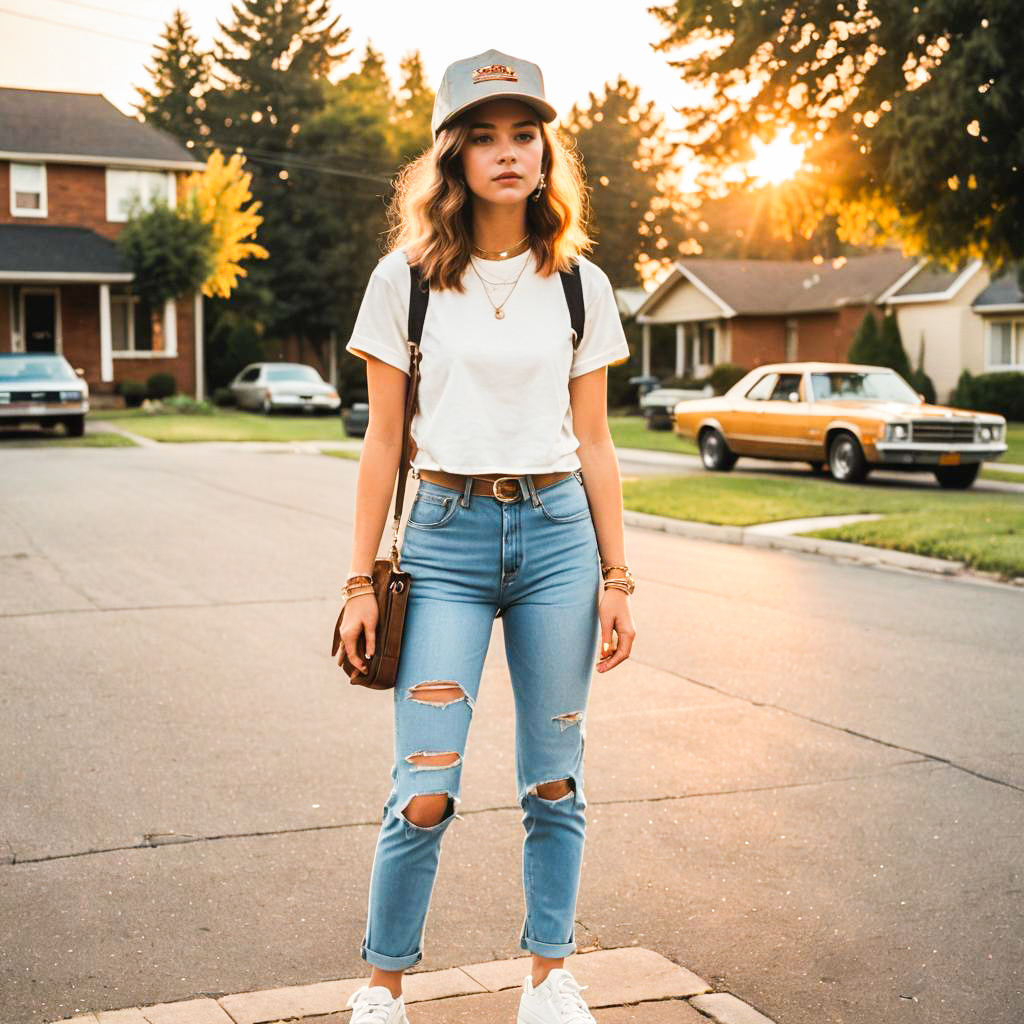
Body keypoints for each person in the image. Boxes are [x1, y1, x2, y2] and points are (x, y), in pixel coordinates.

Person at [337, 47, 638, 1024]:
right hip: (444, 540)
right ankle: (382, 986)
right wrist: (354, 581)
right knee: (424, 782)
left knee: (555, 776)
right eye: (486, 136)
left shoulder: (580, 284)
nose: (509, 153)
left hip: (557, 539)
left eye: (526, 135)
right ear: (453, 156)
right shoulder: (406, 279)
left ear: (545, 156)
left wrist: (619, 575)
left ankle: (548, 976)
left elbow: (594, 441)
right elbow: (383, 439)